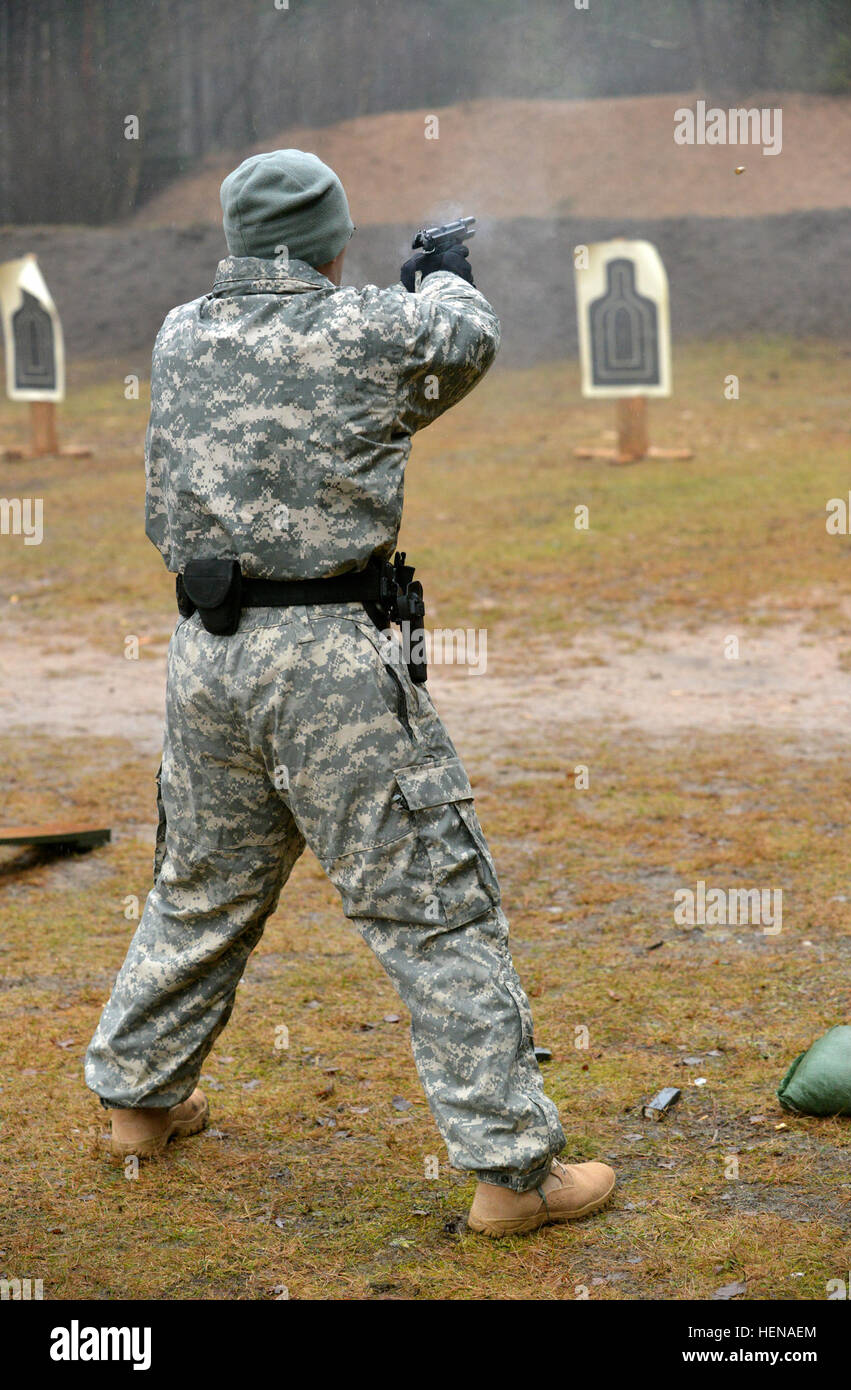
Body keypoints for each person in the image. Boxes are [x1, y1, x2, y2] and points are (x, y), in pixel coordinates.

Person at [84, 149, 615, 1238]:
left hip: (207, 651)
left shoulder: (182, 332)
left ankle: (138, 1101)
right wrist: (442, 270)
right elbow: (465, 341)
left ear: (235, 240)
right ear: (331, 239)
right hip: (329, 656)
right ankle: (515, 1175)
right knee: (433, 907)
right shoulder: (371, 325)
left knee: (200, 886)